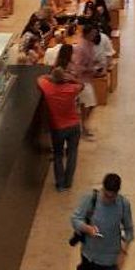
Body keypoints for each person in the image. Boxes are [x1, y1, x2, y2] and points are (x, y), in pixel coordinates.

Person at [71, 172, 134, 270]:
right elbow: (75, 219)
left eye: (112, 197)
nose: (108, 200)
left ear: (117, 193)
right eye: (106, 195)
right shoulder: (90, 199)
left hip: (110, 262)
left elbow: (129, 230)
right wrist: (87, 228)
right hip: (89, 258)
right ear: (102, 188)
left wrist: (123, 252)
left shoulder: (124, 205)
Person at [37, 45, 82, 191]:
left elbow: (39, 78)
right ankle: (69, 181)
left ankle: (60, 184)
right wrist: (71, 79)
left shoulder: (48, 88)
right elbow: (81, 85)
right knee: (72, 153)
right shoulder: (71, 89)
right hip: (74, 125)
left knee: (57, 155)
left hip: (58, 127)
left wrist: (49, 77)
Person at [72, 24, 98, 138]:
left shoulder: (90, 44)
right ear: (87, 34)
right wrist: (90, 69)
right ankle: (83, 126)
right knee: (88, 104)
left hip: (88, 79)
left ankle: (83, 125)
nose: (95, 35)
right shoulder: (81, 47)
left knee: (88, 104)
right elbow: (77, 66)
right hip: (82, 81)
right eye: (93, 33)